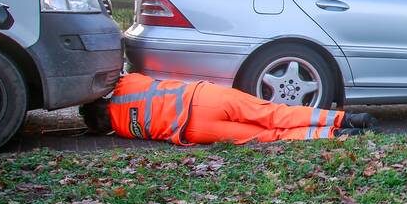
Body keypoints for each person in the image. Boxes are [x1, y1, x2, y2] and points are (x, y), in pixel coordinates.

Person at [79, 72, 377, 144]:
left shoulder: (121, 131)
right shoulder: (128, 85)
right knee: (274, 113)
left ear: (102, 125)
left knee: (269, 135)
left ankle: (339, 136)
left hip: (196, 129)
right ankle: (348, 118)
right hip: (204, 97)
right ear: (103, 102)